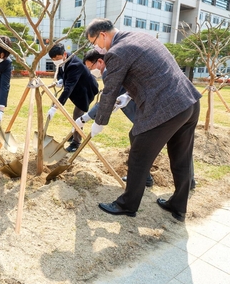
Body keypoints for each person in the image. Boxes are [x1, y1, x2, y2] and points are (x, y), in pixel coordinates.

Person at [85, 18, 202, 222]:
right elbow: (153, 72)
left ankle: (127, 205)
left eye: (94, 42)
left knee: (138, 154)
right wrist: (128, 96)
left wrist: (99, 122)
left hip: (166, 109)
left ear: (103, 34)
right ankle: (178, 204)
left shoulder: (116, 52)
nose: (96, 47)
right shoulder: (142, 37)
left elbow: (110, 91)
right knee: (181, 157)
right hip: (189, 102)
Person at [77, 49, 197, 190]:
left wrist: (86, 118)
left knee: (142, 139)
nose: (92, 71)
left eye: (91, 67)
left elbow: (107, 99)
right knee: (178, 144)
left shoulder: (113, 71)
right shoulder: (121, 65)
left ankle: (144, 178)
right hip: (168, 107)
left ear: (100, 61)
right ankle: (186, 180)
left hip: (156, 111)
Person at [46, 44, 99, 152]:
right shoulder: (63, 61)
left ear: (64, 54)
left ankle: (76, 142)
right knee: (76, 117)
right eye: (53, 59)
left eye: (57, 58)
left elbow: (68, 89)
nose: (55, 61)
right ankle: (74, 132)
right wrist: (61, 80)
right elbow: (62, 73)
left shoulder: (75, 64)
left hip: (86, 90)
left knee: (77, 116)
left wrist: (55, 107)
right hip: (77, 87)